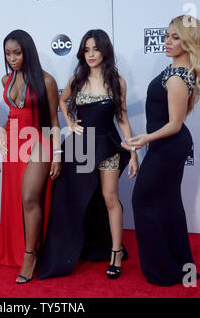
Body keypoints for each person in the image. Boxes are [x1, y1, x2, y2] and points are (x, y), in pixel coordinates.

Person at [38, 29, 138, 280]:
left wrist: (133, 151)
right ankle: (75, 247)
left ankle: (115, 251)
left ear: (105, 50)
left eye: (95, 49)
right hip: (81, 148)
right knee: (77, 198)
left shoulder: (117, 81)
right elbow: (62, 102)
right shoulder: (77, 79)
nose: (91, 54)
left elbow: (122, 117)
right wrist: (71, 123)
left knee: (109, 198)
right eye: (86, 50)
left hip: (108, 146)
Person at [123, 16, 200, 286]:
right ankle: (180, 268)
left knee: (144, 201)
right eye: (167, 35)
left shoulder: (176, 77)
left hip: (168, 144)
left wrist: (145, 139)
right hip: (167, 145)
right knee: (169, 204)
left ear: (189, 42)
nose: (168, 41)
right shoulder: (178, 71)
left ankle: (163, 271)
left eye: (176, 37)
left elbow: (174, 124)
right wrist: (150, 141)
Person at [0, 29, 61, 284]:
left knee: (29, 196)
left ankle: (30, 254)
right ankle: (21, 247)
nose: (12, 58)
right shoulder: (5, 80)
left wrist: (56, 154)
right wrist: (0, 132)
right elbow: (12, 115)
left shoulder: (47, 81)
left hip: (39, 139)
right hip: (13, 141)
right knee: (17, 199)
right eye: (8, 54)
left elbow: (55, 120)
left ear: (28, 52)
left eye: (17, 53)